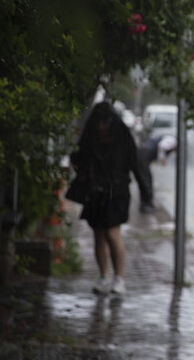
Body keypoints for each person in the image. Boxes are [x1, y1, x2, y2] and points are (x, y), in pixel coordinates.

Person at [71, 101, 147, 295]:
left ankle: (119, 278)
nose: (101, 127)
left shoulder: (123, 138)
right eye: (99, 123)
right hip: (95, 193)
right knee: (98, 234)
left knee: (113, 234)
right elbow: (78, 158)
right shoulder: (90, 139)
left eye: (104, 123)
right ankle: (104, 276)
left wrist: (146, 193)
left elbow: (136, 165)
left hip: (117, 192)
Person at [136, 134, 177, 213]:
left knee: (146, 179)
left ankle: (147, 204)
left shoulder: (169, 138)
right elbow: (162, 146)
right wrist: (163, 158)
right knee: (146, 180)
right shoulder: (173, 140)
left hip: (143, 154)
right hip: (144, 154)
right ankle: (146, 205)